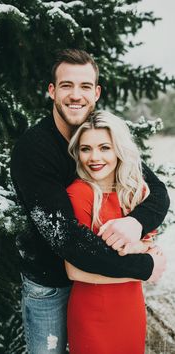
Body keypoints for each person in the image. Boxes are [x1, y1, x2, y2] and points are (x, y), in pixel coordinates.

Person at [10, 49, 169, 354]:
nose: (76, 95)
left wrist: (134, 222)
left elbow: (157, 191)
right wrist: (143, 265)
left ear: (96, 93)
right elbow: (67, 239)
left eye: (85, 86)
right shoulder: (34, 150)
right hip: (51, 285)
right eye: (66, 85)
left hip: (101, 285)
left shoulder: (98, 134)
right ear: (52, 91)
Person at [65, 110, 165, 354]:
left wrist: (137, 249)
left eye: (104, 147)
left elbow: (150, 244)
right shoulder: (78, 194)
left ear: (119, 150)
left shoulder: (132, 192)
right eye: (86, 148)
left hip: (131, 308)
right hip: (93, 313)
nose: (94, 157)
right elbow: (74, 270)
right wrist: (144, 269)